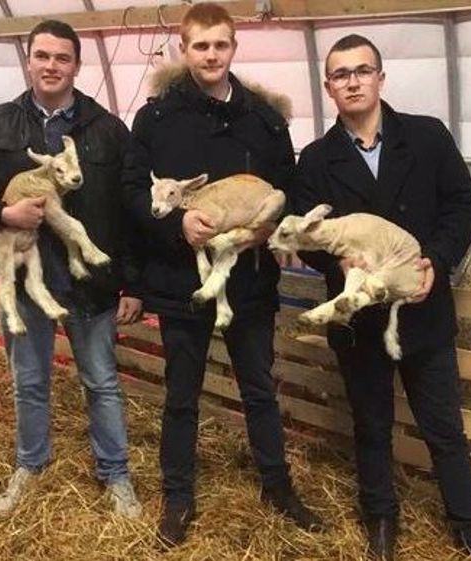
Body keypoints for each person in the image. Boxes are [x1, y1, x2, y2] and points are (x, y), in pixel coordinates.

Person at [289, 34, 471, 561]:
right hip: (360, 319)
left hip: (423, 307)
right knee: (371, 424)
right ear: (329, 87)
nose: (353, 81)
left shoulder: (427, 137)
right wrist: (336, 261)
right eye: (341, 74)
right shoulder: (317, 160)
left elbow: (464, 202)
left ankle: (470, 527)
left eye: (362, 70)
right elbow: (304, 233)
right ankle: (381, 520)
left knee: (443, 426)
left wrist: (434, 257)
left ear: (381, 78)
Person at [121, 2, 323, 548]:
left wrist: (268, 226)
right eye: (200, 46)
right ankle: (178, 495)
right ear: (184, 50)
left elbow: (292, 188)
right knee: (181, 392)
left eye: (221, 45)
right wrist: (176, 227)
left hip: (250, 281)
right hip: (182, 281)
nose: (211, 55)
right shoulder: (156, 119)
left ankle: (277, 488)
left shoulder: (263, 118)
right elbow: (133, 195)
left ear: (234, 47)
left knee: (258, 387)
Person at [0, 19, 143, 519]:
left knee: (101, 382)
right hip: (27, 280)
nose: (51, 65)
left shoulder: (106, 130)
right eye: (42, 56)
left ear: (77, 65)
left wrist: (132, 283)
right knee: (29, 381)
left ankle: (115, 474)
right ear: (28, 61)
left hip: (89, 284)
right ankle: (30, 466)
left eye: (62, 57)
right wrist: (0, 212)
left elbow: (130, 209)